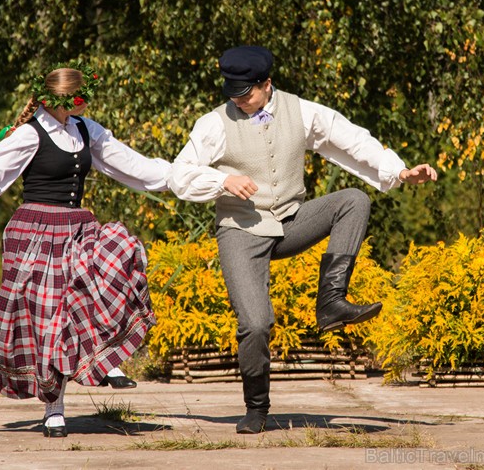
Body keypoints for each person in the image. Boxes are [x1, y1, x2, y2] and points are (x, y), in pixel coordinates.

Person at [169, 46, 437, 434]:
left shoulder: (302, 111)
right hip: (241, 230)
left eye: (246, 94)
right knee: (258, 324)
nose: (238, 101)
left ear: (267, 85)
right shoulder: (213, 124)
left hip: (290, 221)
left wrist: (399, 172)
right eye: (232, 94)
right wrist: (221, 180)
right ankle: (257, 407)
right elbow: (180, 174)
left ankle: (331, 301)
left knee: (354, 200)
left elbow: (353, 140)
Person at [0, 65, 171, 437]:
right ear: (68, 98)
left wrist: (178, 177)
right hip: (36, 232)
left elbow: (133, 165)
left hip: (77, 227)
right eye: (80, 97)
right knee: (49, 321)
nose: (83, 103)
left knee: (110, 266)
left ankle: (105, 360)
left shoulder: (85, 129)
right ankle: (54, 410)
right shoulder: (30, 134)